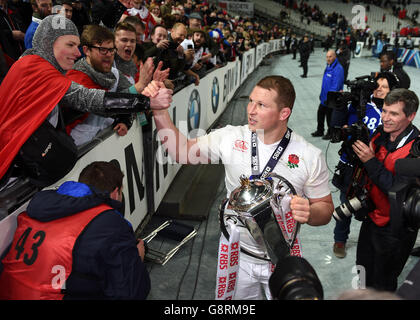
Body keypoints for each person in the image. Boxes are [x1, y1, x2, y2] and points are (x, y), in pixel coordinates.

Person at [151, 75, 334, 299]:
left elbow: (325, 208)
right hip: (237, 255)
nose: (251, 110)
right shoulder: (230, 137)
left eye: (262, 105)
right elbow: (181, 151)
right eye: (251, 101)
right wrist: (159, 112)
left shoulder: (309, 156)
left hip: (282, 257)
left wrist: (310, 212)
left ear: (283, 113)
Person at [0, 16, 172, 186]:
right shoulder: (38, 70)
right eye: (70, 45)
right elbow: (91, 99)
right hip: (10, 168)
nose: (77, 53)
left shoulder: (30, 64)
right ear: (48, 43)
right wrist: (146, 102)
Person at [0, 161, 150, 299]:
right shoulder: (109, 223)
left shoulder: (42, 204)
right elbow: (131, 293)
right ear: (115, 192)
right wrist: (137, 259)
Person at [352, 88, 419, 292]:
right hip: (371, 218)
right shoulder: (381, 134)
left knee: (383, 283)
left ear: (410, 116)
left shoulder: (416, 150)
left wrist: (370, 161)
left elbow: (396, 189)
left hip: (395, 230)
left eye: (394, 113)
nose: (386, 118)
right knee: (362, 272)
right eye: (384, 111)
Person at [331, 72, 401, 258]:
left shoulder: (391, 113)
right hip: (349, 166)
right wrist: (340, 106)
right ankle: (340, 240)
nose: (378, 89)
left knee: (369, 208)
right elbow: (335, 126)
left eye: (384, 87)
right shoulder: (360, 103)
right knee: (345, 206)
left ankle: (369, 242)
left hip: (372, 168)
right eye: (376, 85)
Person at [65, 24, 166, 146]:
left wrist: (124, 120)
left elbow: (128, 103)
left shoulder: (114, 73)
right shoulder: (75, 78)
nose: (108, 54)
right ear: (87, 51)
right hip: (77, 148)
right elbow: (104, 105)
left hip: (101, 147)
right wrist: (139, 87)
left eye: (112, 50)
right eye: (103, 50)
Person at [311, 49, 344, 140]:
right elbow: (325, 83)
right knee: (320, 113)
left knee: (330, 116)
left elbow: (336, 85)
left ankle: (331, 133)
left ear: (335, 57)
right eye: (327, 56)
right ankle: (320, 130)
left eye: (330, 56)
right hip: (324, 96)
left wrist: (330, 98)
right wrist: (322, 94)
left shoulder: (338, 69)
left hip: (332, 98)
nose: (328, 58)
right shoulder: (328, 66)